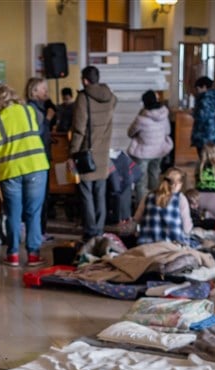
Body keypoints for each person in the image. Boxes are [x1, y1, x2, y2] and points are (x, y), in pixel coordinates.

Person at [0, 83, 49, 267]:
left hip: (10, 171)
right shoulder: (30, 111)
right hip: (35, 166)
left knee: (13, 213)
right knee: (33, 212)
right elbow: (40, 130)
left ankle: (12, 254)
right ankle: (33, 255)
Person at [69, 65, 117, 241]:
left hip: (86, 153)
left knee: (86, 193)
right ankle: (99, 228)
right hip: (103, 153)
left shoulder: (83, 98)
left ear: (84, 80)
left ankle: (91, 230)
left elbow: (79, 129)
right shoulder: (111, 97)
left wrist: (72, 152)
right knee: (100, 193)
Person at [127, 90, 173, 216]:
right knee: (155, 176)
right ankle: (156, 205)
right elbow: (167, 131)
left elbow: (130, 133)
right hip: (159, 151)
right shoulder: (164, 114)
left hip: (143, 152)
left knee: (141, 181)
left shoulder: (141, 118)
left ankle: (140, 210)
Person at [25, 77, 57, 235]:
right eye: (43, 88)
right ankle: (38, 232)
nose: (47, 91)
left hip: (44, 156)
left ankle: (41, 230)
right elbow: (36, 133)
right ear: (34, 91)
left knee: (44, 197)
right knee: (38, 198)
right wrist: (48, 119)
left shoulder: (42, 107)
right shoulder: (31, 109)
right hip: (36, 159)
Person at [133, 167, 193, 246]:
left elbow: (136, 219)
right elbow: (187, 228)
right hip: (172, 245)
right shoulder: (180, 198)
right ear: (179, 184)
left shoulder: (148, 196)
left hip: (147, 245)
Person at [191, 76, 215, 154]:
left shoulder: (205, 99)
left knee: (204, 158)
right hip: (212, 133)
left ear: (204, 87)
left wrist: (194, 113)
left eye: (197, 89)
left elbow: (202, 116)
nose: (197, 91)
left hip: (204, 134)